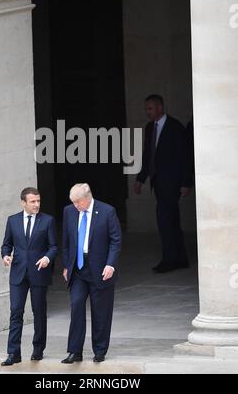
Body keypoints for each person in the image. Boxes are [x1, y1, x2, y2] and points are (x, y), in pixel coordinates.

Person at [61, 183, 122, 364]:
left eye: (78, 202)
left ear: (87, 198)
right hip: (78, 269)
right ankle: (74, 351)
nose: (75, 206)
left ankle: (100, 350)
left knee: (101, 311)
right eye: (73, 202)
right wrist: (66, 265)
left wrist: (110, 265)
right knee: (77, 306)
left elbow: (115, 241)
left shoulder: (107, 211)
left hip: (100, 269)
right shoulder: (69, 211)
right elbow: (65, 241)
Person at [134, 95, 192, 273]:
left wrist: (186, 183)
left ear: (160, 107)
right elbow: (148, 155)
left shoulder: (175, 127)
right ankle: (181, 258)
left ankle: (169, 260)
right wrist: (140, 178)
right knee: (172, 219)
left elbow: (185, 157)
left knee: (165, 219)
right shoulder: (150, 128)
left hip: (172, 182)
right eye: (146, 109)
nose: (147, 112)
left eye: (150, 108)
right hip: (157, 182)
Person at [1, 187, 57, 366]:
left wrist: (47, 258)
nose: (37, 205)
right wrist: (5, 255)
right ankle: (13, 353)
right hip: (18, 273)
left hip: (39, 272)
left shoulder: (47, 221)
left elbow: (54, 246)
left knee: (39, 312)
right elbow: (6, 244)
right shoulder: (12, 221)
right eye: (33, 201)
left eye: (38, 201)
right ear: (23, 202)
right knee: (16, 312)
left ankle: (38, 349)